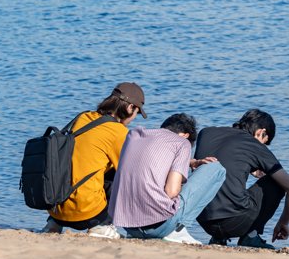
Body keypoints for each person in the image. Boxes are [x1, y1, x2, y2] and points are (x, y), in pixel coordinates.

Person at [42, 82, 146, 237]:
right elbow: (132, 173)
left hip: (56, 209)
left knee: (79, 167)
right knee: (125, 177)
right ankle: (102, 225)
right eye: (137, 112)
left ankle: (53, 225)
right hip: (87, 215)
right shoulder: (118, 132)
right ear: (130, 107)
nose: (134, 118)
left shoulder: (83, 117)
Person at [107, 113, 226, 244]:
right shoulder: (182, 143)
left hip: (129, 227)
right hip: (160, 228)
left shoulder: (134, 135)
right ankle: (179, 230)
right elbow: (171, 191)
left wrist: (191, 162)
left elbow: (153, 161)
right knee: (217, 169)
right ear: (185, 136)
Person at [194, 109, 289, 249]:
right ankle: (251, 236)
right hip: (234, 223)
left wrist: (250, 167)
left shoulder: (206, 133)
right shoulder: (254, 145)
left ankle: (218, 238)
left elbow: (227, 160)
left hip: (203, 220)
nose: (263, 147)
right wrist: (283, 222)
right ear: (261, 132)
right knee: (277, 183)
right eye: (264, 142)